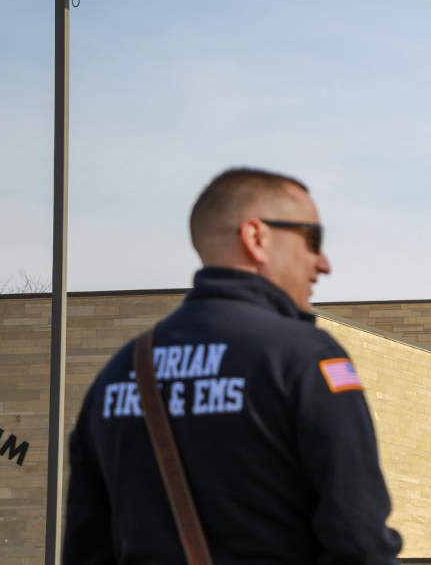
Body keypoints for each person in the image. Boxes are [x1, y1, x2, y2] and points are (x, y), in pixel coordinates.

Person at [63, 167, 403, 564]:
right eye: (313, 239)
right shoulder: (304, 358)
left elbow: (86, 549)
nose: (323, 262)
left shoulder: (117, 375)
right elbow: (359, 541)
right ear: (256, 237)